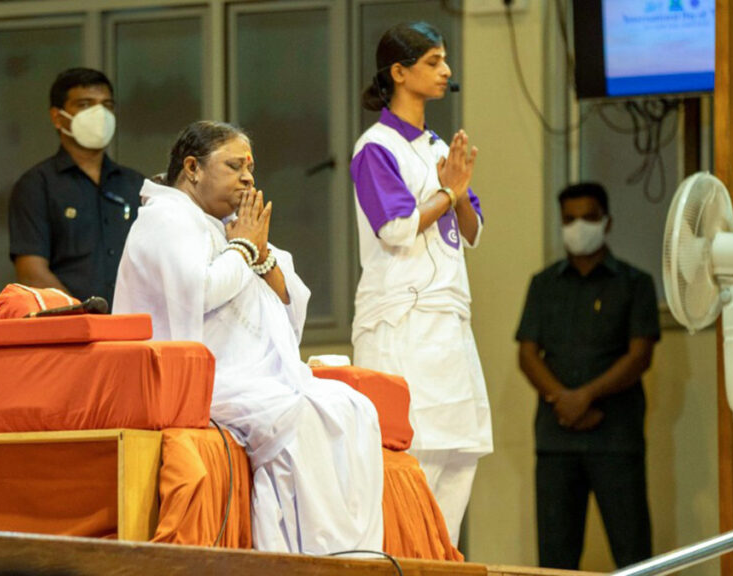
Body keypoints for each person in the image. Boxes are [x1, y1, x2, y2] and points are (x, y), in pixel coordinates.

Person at [113, 121, 384, 554]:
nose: (248, 178)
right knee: (295, 418)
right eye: (234, 165)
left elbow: (288, 299)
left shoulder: (223, 225)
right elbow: (199, 292)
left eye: (251, 168)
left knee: (355, 410)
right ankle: (294, 556)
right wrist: (243, 250)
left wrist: (256, 253)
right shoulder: (166, 218)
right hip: (199, 379)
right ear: (192, 168)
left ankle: (355, 556)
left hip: (247, 371)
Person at [348, 21, 492, 546]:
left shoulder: (437, 146)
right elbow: (396, 228)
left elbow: (472, 230)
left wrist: (460, 189)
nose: (447, 72)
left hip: (450, 321)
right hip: (402, 322)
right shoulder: (375, 148)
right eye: (434, 61)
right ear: (399, 72)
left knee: (460, 456)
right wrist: (449, 192)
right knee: (412, 465)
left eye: (445, 60)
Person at [516, 182, 659, 569]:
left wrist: (586, 396)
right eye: (569, 219)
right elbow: (527, 354)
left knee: (633, 553)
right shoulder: (543, 284)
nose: (579, 226)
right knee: (555, 560)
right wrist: (564, 398)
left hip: (616, 438)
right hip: (556, 439)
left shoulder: (636, 283)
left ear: (607, 222)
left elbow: (640, 355)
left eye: (588, 217)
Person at [9, 67, 143, 305]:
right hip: (71, 331)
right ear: (57, 117)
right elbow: (31, 272)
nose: (99, 114)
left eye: (107, 105)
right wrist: (84, 316)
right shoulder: (37, 185)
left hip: (138, 326)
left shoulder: (136, 185)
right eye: (85, 104)